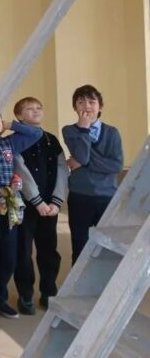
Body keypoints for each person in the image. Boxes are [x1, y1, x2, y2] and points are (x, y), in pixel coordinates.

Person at [0, 107, 43, 323]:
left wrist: (10, 124)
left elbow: (36, 133)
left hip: (10, 207)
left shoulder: (9, 143)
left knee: (8, 258)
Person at [12, 97, 67, 314]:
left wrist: (56, 201)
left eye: (38, 107)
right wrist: (37, 201)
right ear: (19, 116)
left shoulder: (51, 140)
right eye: (29, 109)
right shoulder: (14, 141)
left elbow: (62, 169)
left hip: (50, 206)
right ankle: (26, 294)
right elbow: (21, 171)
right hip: (26, 205)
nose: (35, 111)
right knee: (23, 251)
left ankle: (49, 291)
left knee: (49, 250)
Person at [62, 84, 124, 263]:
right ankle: (77, 281)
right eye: (81, 102)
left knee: (108, 246)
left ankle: (107, 281)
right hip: (80, 196)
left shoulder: (112, 132)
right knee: (80, 245)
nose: (86, 106)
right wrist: (84, 129)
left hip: (107, 196)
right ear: (75, 107)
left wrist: (83, 162)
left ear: (100, 106)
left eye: (92, 101)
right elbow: (83, 156)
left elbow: (116, 165)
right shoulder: (69, 130)